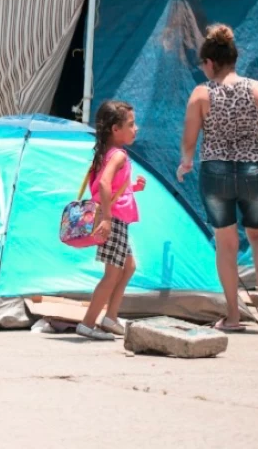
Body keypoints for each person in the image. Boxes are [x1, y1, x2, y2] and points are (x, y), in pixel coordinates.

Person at [178, 24, 258, 331]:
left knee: (225, 244)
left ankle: (233, 315)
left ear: (210, 63)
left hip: (215, 172)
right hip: (254, 170)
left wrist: (186, 162)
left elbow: (189, 138)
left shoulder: (201, 94)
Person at [77, 101, 147, 341]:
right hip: (114, 221)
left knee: (129, 267)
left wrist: (133, 188)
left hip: (115, 219)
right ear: (115, 129)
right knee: (112, 274)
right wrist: (106, 218)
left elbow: (111, 187)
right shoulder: (118, 155)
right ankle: (88, 323)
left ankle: (111, 318)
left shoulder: (106, 152)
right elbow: (105, 184)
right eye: (131, 124)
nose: (135, 128)